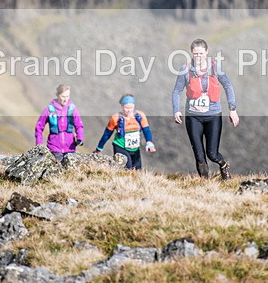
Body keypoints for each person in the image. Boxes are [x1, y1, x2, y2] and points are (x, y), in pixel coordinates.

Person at [172, 38, 239, 180]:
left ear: (207, 52)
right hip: (193, 117)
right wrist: (176, 110)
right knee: (199, 156)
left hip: (213, 116)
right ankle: (205, 184)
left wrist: (232, 109)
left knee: (212, 154)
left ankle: (223, 165)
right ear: (191, 53)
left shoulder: (215, 68)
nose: (198, 56)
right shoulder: (185, 69)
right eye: (195, 54)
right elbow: (177, 91)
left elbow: (228, 86)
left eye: (201, 53)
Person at [95, 94, 156, 170]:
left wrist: (149, 142)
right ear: (122, 106)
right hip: (120, 147)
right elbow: (107, 134)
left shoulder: (140, 115)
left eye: (131, 107)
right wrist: (99, 148)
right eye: (126, 107)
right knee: (127, 169)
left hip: (135, 148)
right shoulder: (115, 118)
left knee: (138, 170)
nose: (129, 110)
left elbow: (146, 130)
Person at [34, 84, 84, 163]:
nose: (65, 99)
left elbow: (79, 126)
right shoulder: (49, 110)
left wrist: (80, 138)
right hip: (54, 148)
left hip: (70, 148)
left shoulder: (73, 109)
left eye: (67, 96)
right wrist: (39, 144)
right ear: (57, 95)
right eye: (63, 96)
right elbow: (39, 127)